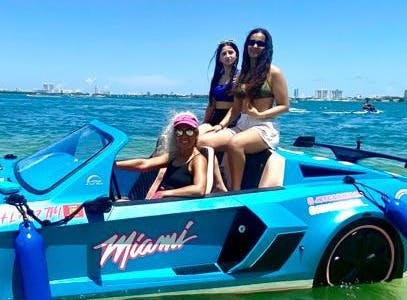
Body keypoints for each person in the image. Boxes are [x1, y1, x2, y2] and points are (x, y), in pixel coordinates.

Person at [198, 27, 289, 190]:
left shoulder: (273, 72)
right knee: (201, 141)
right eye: (251, 42)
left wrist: (260, 114)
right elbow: (235, 109)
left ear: (267, 47)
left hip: (263, 127)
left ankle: (236, 190)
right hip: (242, 125)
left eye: (260, 43)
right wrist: (220, 126)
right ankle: (217, 184)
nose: (255, 46)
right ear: (246, 45)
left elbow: (284, 106)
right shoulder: (242, 74)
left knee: (235, 144)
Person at [116, 112, 208, 199]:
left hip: (178, 204)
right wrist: (114, 165)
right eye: (179, 132)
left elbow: (199, 189)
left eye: (189, 131)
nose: (184, 136)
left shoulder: (198, 159)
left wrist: (165, 193)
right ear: (175, 135)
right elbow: (144, 164)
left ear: (196, 133)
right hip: (164, 202)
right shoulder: (174, 156)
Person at [199, 39, 239, 134]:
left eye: (230, 52)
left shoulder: (240, 76)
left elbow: (237, 106)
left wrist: (222, 125)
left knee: (207, 138)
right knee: (196, 134)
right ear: (220, 58)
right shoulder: (216, 78)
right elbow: (211, 105)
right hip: (215, 117)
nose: (227, 56)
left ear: (236, 55)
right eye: (224, 54)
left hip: (232, 119)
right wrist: (204, 123)